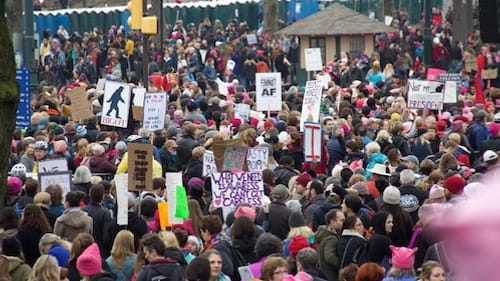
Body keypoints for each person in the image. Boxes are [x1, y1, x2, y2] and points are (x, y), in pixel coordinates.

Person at [82, 184, 113, 257]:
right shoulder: (105, 213)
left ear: (90, 195)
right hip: (100, 248)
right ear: (103, 196)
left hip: (85, 246)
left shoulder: (83, 211)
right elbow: (106, 236)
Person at [315, 209, 344, 281]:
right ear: (333, 222)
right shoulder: (331, 238)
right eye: (342, 220)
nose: (344, 223)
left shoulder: (322, 234)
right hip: (330, 275)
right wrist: (342, 265)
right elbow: (329, 257)